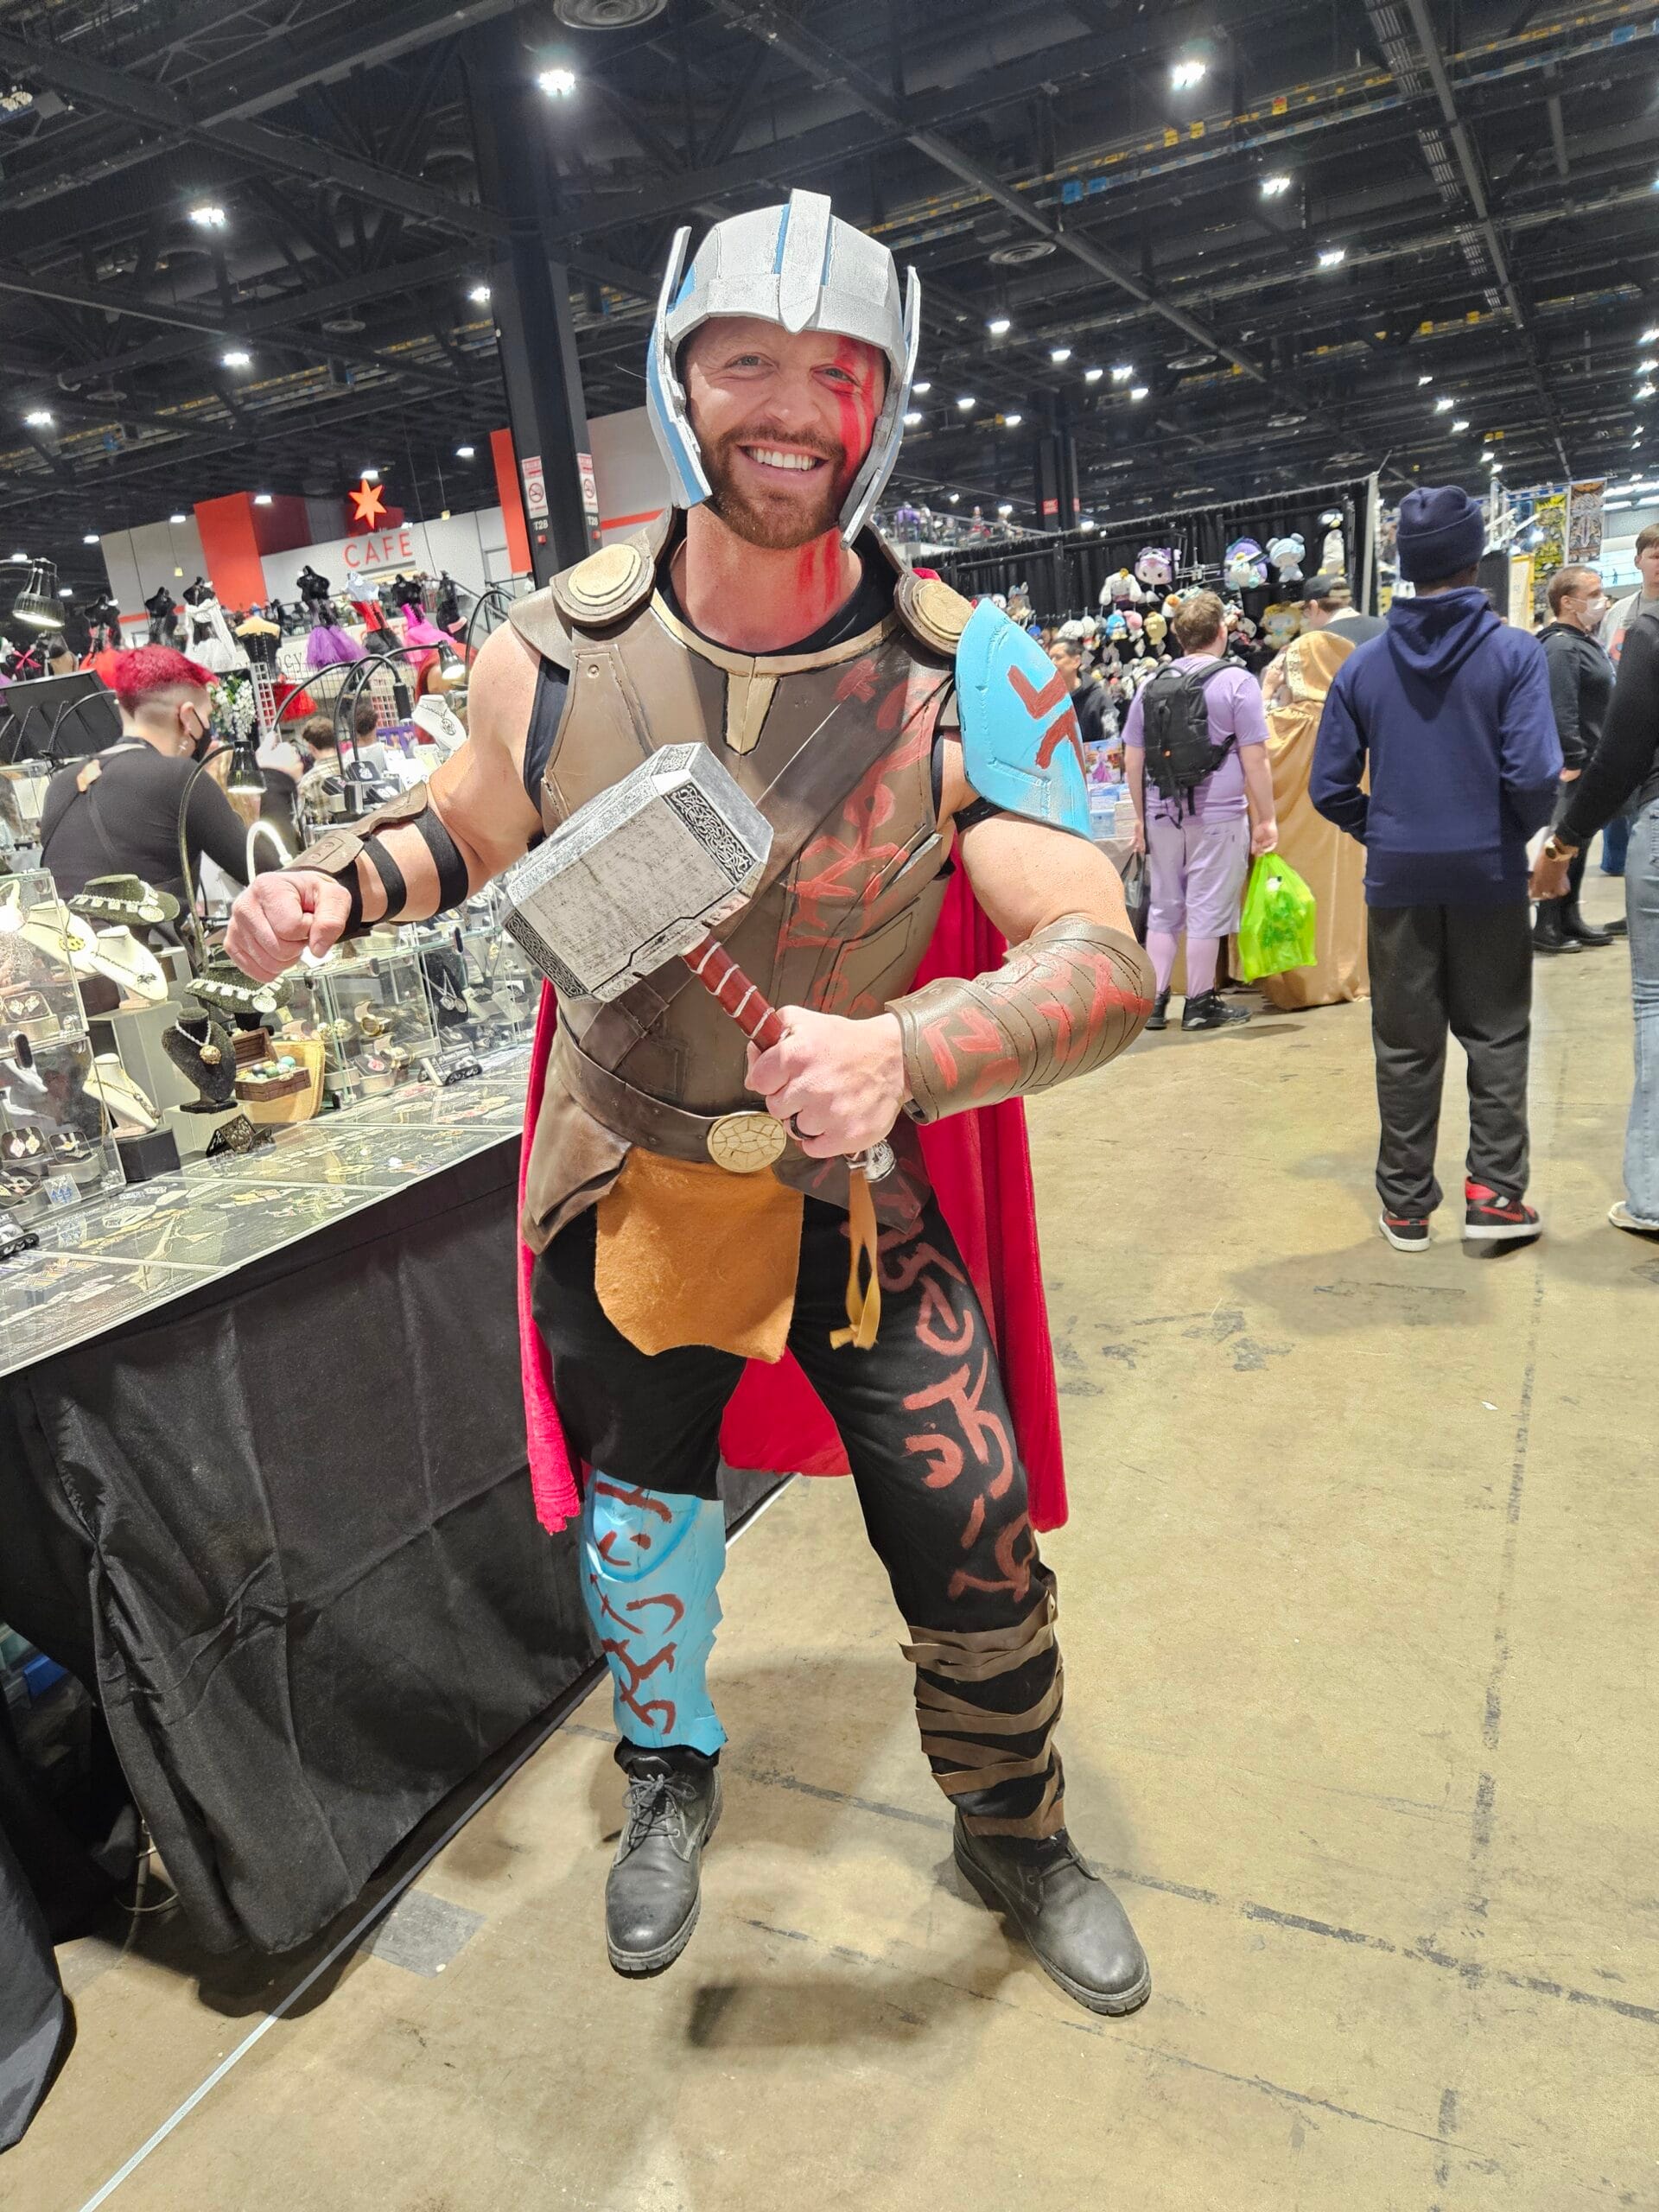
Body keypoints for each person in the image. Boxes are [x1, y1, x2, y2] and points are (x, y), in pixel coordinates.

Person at [226, 188, 1158, 2017]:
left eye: (837, 371)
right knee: (643, 1523)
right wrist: (331, 888)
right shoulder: (550, 648)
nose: (792, 407)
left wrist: (909, 1053)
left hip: (850, 1190)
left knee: (970, 1517)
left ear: (888, 398)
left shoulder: (968, 665)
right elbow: (466, 822)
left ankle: (1014, 1824)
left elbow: (1104, 956)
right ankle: (667, 1776)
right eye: (749, 362)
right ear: (677, 375)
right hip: (629, 1175)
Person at [1310, 486, 1561, 1251]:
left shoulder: (1363, 667)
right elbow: (1534, 775)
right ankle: (1495, 1195)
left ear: (1406, 564)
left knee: (1404, 1043)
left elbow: (1329, 786)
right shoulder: (1515, 653)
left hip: (1398, 880)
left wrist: (1385, 832)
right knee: (1497, 1033)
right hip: (1488, 874)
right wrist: (1508, 837)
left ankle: (1407, 1206)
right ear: (1474, 556)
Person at [1530, 585, 1659, 1234]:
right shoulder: (1569, 646)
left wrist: (1563, 842)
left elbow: (1625, 746)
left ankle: (1654, 1195)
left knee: (1656, 1001)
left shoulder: (1650, 631)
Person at [1123, 589, 1277, 1033]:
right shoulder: (1238, 683)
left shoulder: (1150, 684)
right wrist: (1266, 818)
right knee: (1207, 907)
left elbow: (1133, 758)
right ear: (1222, 631)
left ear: (1178, 635)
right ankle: (1199, 1002)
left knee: (1164, 907)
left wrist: (1140, 817)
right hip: (1218, 815)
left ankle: (1155, 1004)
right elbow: (1255, 758)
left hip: (1161, 812)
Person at [37, 646, 248, 912]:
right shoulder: (181, 778)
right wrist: (278, 780)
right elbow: (266, 874)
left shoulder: (61, 784)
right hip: (147, 940)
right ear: (187, 716)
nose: (208, 729)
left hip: (65, 937)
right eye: (206, 717)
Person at [1254, 586, 1377, 1010]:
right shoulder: (1359, 721)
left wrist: (1266, 690)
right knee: (1350, 895)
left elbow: (1254, 754)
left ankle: (1305, 981)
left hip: (1298, 839)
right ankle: (1353, 971)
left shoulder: (1285, 724)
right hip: (1355, 828)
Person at [1535, 565, 1617, 952]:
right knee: (1560, 840)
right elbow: (1561, 707)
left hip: (1591, 758)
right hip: (1573, 763)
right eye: (1594, 593)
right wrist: (1574, 757)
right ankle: (1547, 923)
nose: (1602, 600)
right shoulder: (1562, 647)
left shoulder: (1583, 642)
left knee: (1578, 840)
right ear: (1567, 602)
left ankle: (1569, 917)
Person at [1046, 633, 1109, 752]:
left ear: (1076, 661)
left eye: (1058, 657)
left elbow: (1111, 743)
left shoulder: (1097, 698)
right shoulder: (1047, 699)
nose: (1052, 663)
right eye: (1050, 658)